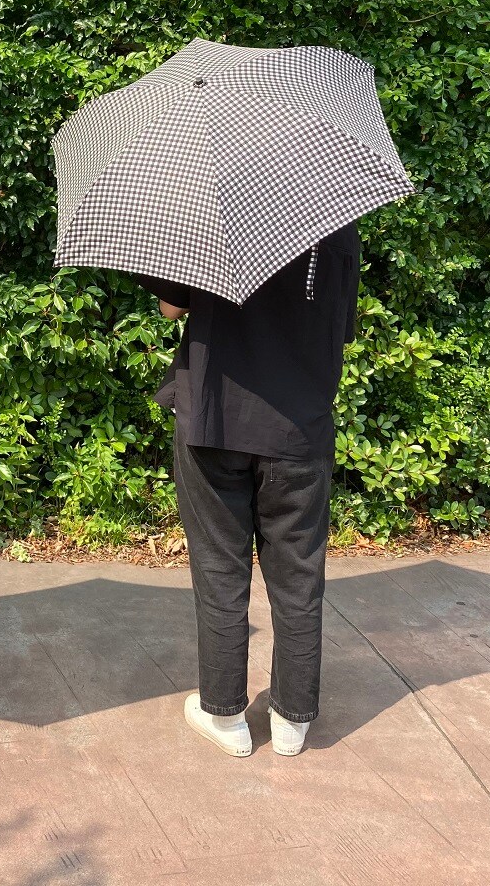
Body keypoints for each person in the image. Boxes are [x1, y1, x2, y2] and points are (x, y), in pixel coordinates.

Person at [138, 224, 359, 757]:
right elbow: (341, 327)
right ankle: (292, 721)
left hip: (217, 416)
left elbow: (171, 308)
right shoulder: (340, 225)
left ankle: (227, 716)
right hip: (298, 428)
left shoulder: (209, 210)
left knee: (220, 567)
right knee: (299, 574)